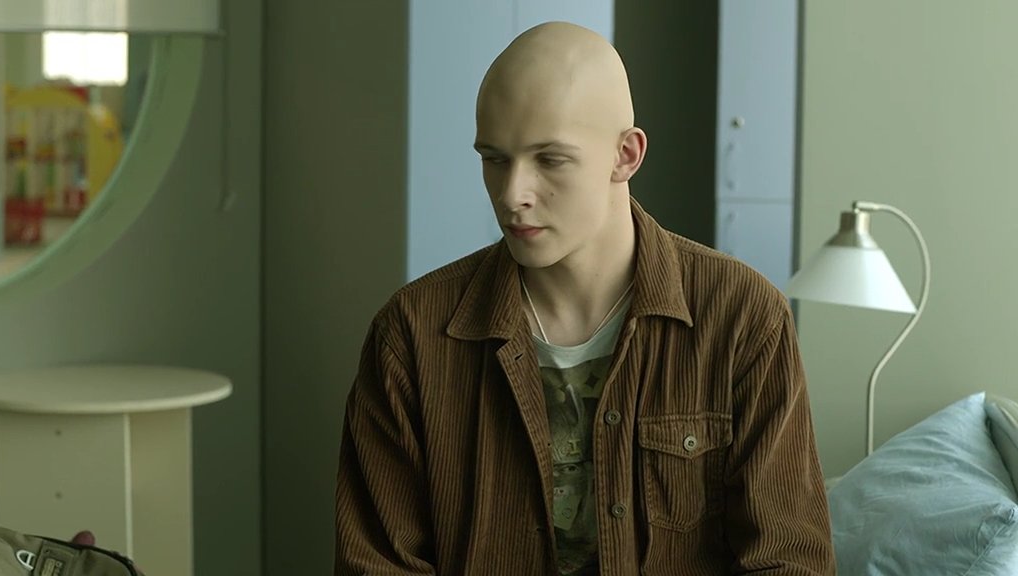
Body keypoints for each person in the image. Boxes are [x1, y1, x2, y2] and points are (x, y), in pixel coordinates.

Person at [336, 21, 834, 575]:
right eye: (494, 159)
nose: (512, 194)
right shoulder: (412, 334)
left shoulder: (741, 317)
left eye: (549, 159)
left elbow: (789, 560)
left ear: (626, 154)